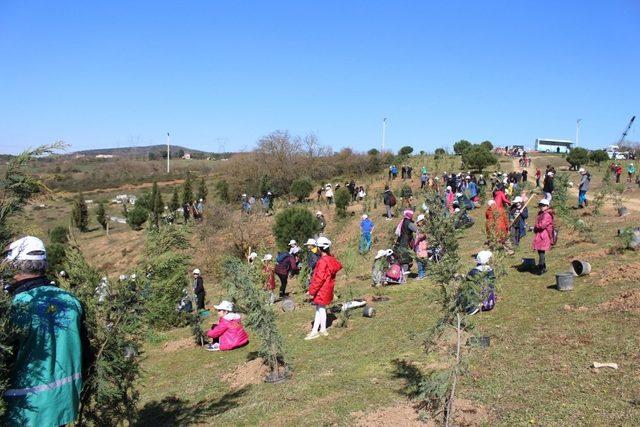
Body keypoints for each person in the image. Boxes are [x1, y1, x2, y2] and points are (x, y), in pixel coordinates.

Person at [3, 236, 84, 426]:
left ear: (14, 266)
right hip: (63, 403)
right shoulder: (70, 300)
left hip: (23, 409)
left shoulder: (15, 307)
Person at [305, 237, 343, 340]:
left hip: (322, 289)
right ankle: (317, 330)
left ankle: (322, 330)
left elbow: (319, 278)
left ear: (320, 248)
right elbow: (338, 266)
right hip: (328, 287)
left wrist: (312, 290)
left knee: (320, 309)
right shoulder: (330, 259)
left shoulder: (322, 261)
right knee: (319, 309)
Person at [533, 198, 555, 275]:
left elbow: (542, 225)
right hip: (541, 234)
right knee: (540, 251)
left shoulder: (547, 214)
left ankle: (540, 269)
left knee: (541, 251)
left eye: (543, 205)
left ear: (547, 206)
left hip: (544, 235)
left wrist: (536, 226)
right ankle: (543, 268)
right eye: (540, 205)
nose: (541, 207)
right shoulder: (541, 213)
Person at [414, 214, 428, 280]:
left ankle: (421, 275)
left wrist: (415, 243)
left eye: (418, 222)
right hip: (423, 246)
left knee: (420, 261)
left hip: (421, 247)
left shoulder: (422, 229)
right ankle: (423, 274)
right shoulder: (425, 228)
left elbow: (420, 237)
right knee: (422, 260)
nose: (417, 223)